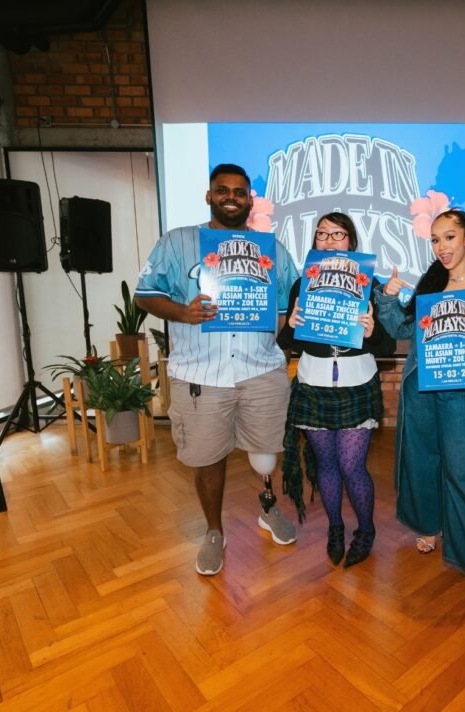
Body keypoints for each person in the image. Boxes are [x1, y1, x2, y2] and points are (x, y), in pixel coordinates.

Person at [134, 163, 300, 577]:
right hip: (200, 374)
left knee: (266, 451)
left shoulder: (273, 249)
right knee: (207, 457)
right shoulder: (177, 241)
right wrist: (183, 312)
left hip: (260, 370)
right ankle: (213, 531)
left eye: (239, 192)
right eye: (222, 190)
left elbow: (287, 306)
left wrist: (273, 330)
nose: (231, 197)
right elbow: (144, 295)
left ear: (249, 200)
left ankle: (268, 508)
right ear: (209, 196)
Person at [375, 208, 465, 602]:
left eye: (449, 237)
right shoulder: (431, 281)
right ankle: (430, 523)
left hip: (461, 389)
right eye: (435, 240)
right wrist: (388, 298)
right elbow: (401, 327)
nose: (442, 247)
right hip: (421, 385)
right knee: (421, 461)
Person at [277, 213, 395, 568]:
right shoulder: (302, 284)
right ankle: (335, 529)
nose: (328, 241)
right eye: (321, 234)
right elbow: (287, 342)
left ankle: (366, 531)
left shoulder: (371, 284)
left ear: (351, 242)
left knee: (351, 465)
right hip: (313, 383)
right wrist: (291, 326)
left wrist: (372, 331)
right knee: (326, 464)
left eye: (337, 234)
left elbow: (388, 347)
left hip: (357, 384)